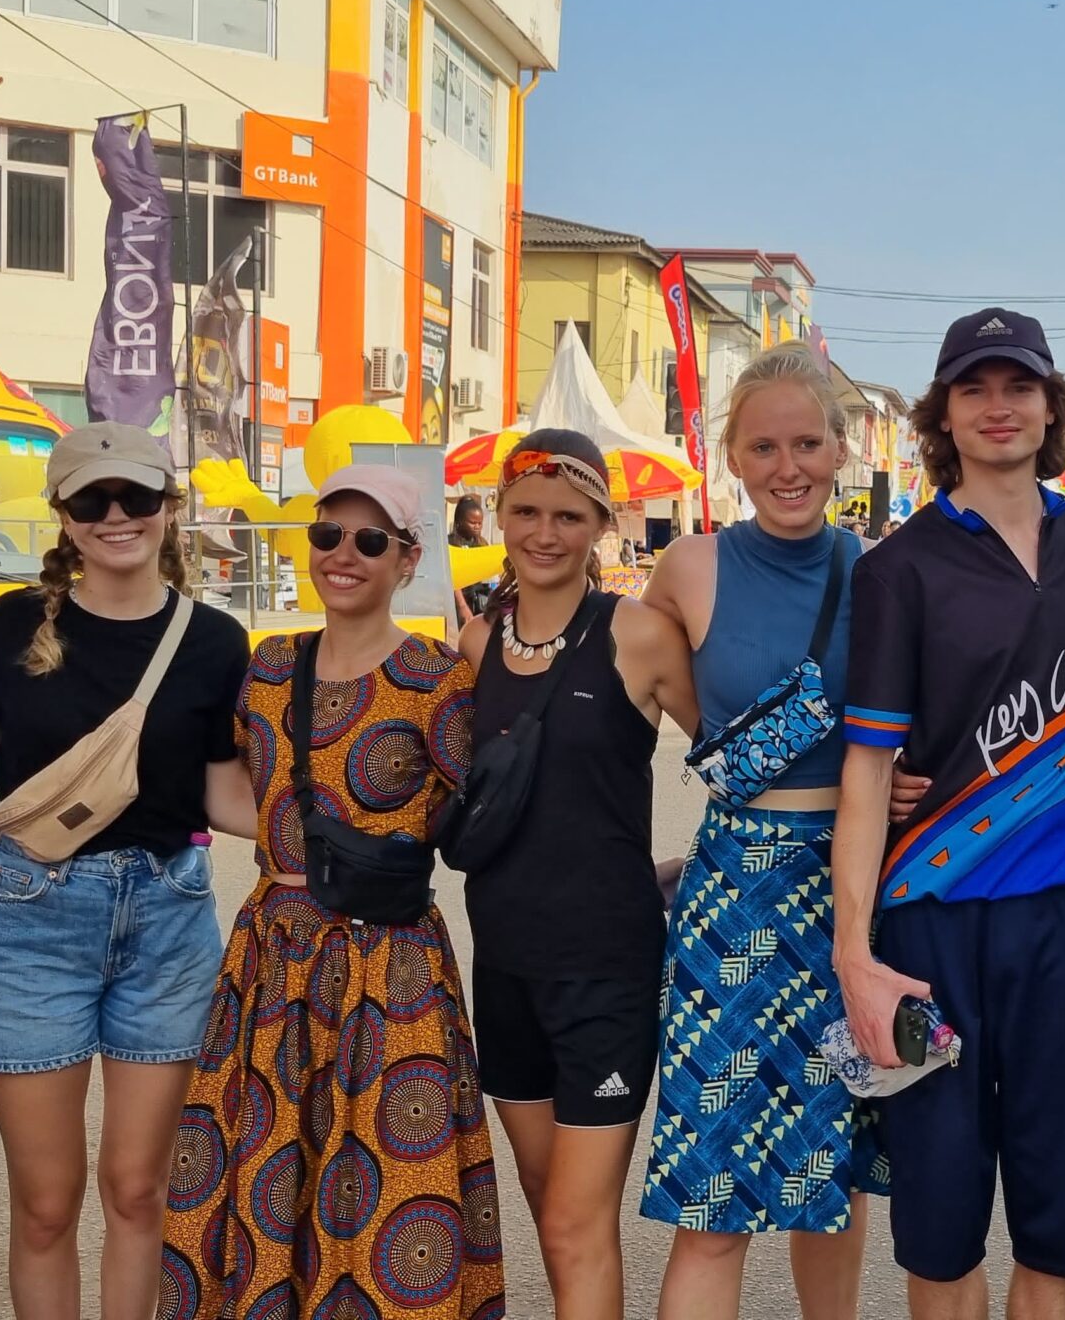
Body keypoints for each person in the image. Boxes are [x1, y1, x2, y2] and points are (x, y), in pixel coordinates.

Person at [831, 307, 1065, 1320]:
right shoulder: (897, 568)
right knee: (939, 1221)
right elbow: (868, 771)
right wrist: (855, 953)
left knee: (1061, 1218)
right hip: (932, 928)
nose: (999, 406)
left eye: (1019, 386)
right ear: (943, 413)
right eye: (974, 387)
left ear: (1054, 406)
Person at [162, 465, 504, 1318]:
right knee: (266, 1177)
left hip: (390, 970)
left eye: (369, 541)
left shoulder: (436, 677)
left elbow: (485, 815)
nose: (343, 555)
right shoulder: (272, 664)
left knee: (388, 1187)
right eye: (327, 536)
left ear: (407, 558)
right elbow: (239, 790)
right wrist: (295, 854)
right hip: (273, 959)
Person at [0, 423, 249, 1320]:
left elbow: (223, 790)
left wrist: (341, 842)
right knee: (46, 1204)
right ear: (65, 517)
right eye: (93, 499)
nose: (116, 516)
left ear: (170, 507)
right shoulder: (12, 624)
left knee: (138, 1191)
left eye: (135, 497)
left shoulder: (214, 639)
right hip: (30, 920)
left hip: (165, 918)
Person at [635, 346, 885, 1319]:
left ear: (840, 449)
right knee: (714, 1194)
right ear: (730, 457)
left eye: (808, 444)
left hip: (852, 894)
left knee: (833, 1186)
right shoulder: (689, 567)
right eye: (765, 446)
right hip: (731, 896)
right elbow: (623, 702)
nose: (790, 467)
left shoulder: (881, 574)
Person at [455, 428, 700, 1320]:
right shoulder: (478, 643)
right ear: (502, 515)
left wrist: (711, 868)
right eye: (525, 511)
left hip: (606, 968)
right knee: (546, 1198)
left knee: (570, 1222)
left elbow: (742, 766)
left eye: (568, 515)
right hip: (505, 962)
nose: (545, 532)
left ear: (603, 522)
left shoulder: (638, 636)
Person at [451, 491, 495, 621]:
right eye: (472, 522)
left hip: (479, 602)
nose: (477, 527)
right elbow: (452, 579)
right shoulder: (452, 544)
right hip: (457, 604)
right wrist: (462, 606)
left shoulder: (482, 543)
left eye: (480, 523)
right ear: (460, 521)